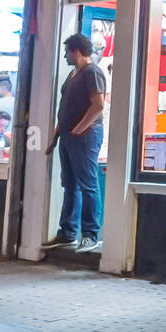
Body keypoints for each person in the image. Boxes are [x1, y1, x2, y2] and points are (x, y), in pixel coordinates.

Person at [44, 34, 107, 254]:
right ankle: (67, 232)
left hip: (85, 135)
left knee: (88, 184)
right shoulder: (73, 74)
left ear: (77, 51)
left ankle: (90, 235)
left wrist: (80, 129)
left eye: (67, 52)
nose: (65, 56)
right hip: (69, 135)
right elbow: (65, 108)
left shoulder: (93, 72)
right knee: (70, 183)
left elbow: (98, 105)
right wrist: (56, 136)